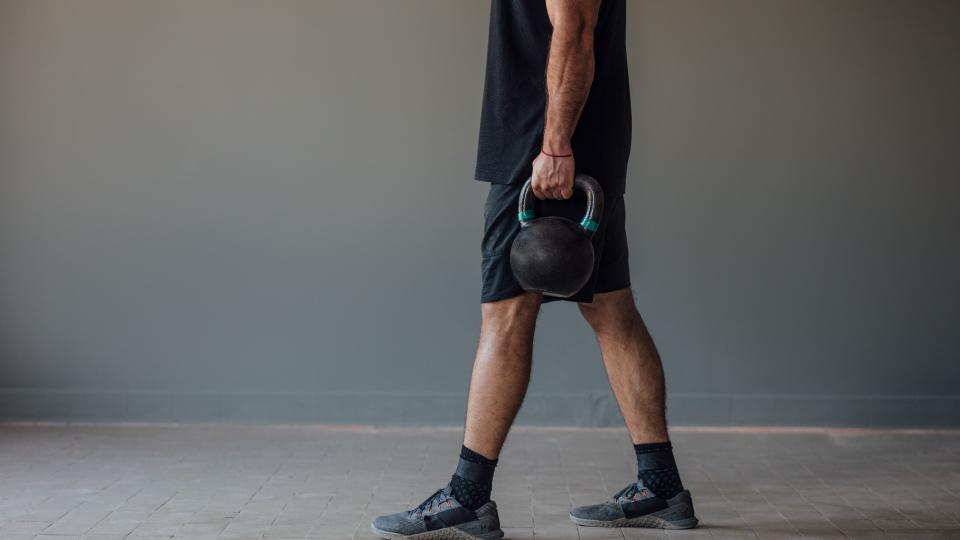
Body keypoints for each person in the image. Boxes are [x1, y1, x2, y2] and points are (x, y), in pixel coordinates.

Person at [371, 1, 697, 538]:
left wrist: (555, 144)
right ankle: (661, 483)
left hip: (546, 155)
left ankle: (469, 496)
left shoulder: (551, 151)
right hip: (568, 147)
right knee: (612, 310)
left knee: (505, 317)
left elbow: (575, 27)